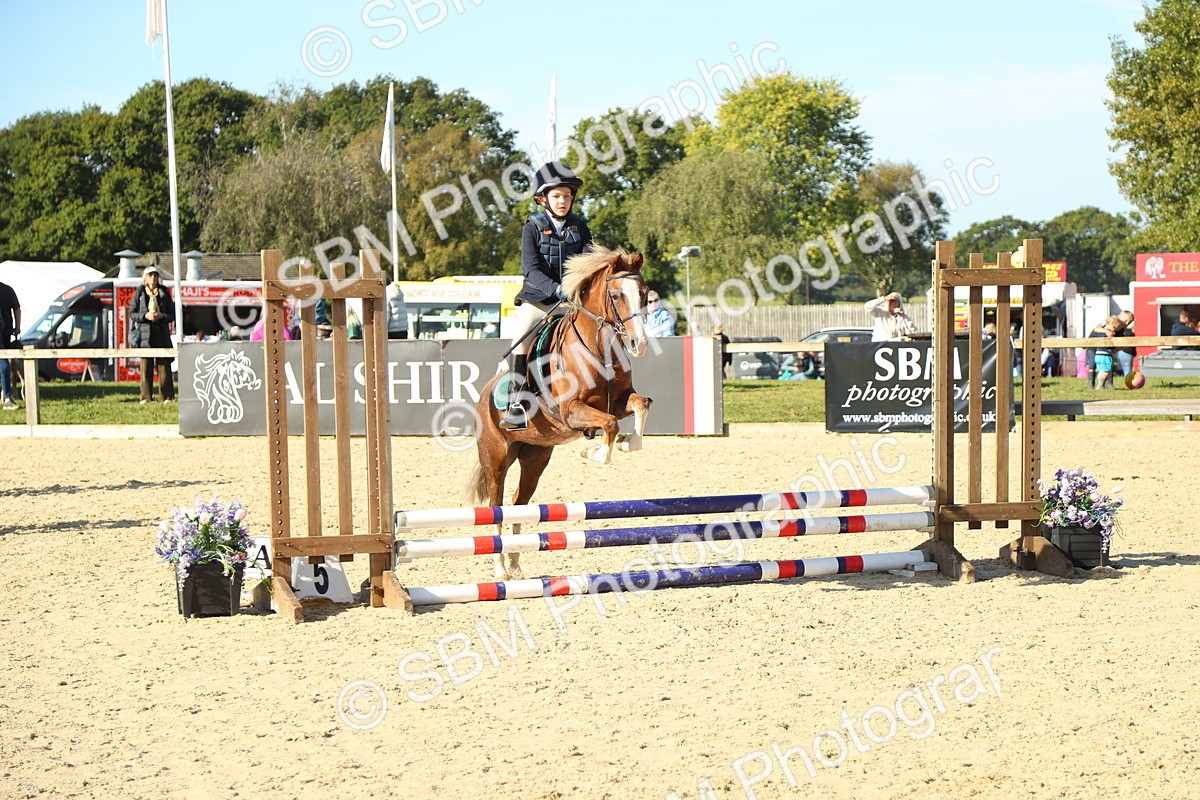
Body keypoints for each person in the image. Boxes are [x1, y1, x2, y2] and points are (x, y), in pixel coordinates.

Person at [500, 161, 594, 430]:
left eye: (567, 195)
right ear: (543, 199)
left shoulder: (580, 226)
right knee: (521, 341)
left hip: (572, 301)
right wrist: (555, 289)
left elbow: (590, 259)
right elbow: (531, 270)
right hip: (539, 300)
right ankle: (516, 404)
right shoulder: (532, 227)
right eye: (556, 196)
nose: (563, 201)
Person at [127, 266, 176, 404]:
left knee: (164, 367)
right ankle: (145, 397)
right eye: (150, 275)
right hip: (145, 335)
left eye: (155, 275)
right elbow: (132, 313)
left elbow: (172, 315)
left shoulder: (164, 293)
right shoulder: (140, 293)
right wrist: (145, 316)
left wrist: (161, 315)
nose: (153, 278)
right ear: (145, 278)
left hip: (161, 333)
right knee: (146, 367)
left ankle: (167, 396)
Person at [0, 279, 20, 409]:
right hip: (4, 334)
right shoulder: (7, 289)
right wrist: (17, 327)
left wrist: (17, 327)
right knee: (4, 365)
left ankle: (6, 395)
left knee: (4, 365)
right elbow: (17, 309)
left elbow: (17, 308)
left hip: (5, 335)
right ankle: (7, 397)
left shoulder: (7, 290)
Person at [1089, 316, 1120, 390]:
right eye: (1115, 329)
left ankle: (1099, 384)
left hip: (1098, 353)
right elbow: (1109, 344)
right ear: (1114, 325)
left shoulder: (1101, 332)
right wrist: (1115, 348)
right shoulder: (1109, 333)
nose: (1114, 331)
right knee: (1107, 371)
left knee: (1102, 370)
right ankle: (1100, 385)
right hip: (1105, 354)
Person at [1115, 309, 1136, 374]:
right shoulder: (1123, 329)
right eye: (1126, 320)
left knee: (1127, 370)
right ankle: (1128, 383)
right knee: (1128, 371)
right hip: (1125, 350)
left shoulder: (1122, 328)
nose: (1126, 323)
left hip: (1123, 350)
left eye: (1128, 322)